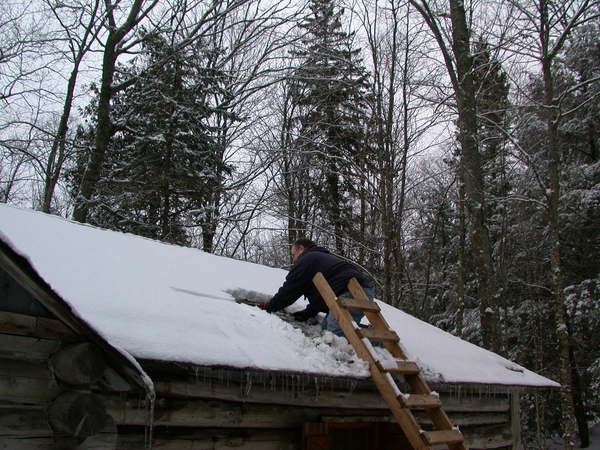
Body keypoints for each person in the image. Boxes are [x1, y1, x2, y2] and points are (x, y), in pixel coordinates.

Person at [262, 238, 374, 336]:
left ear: (301, 248)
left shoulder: (307, 259)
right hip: (358, 289)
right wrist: (308, 312)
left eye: (293, 254)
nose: (294, 259)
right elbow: (324, 292)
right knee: (327, 329)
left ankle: (382, 344)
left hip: (352, 291)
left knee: (337, 333)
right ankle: (372, 333)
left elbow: (291, 289)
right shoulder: (320, 258)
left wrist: (270, 307)